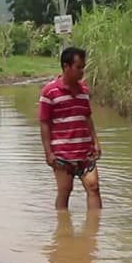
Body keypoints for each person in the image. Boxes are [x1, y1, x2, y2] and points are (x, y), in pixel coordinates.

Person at [39, 47, 103, 211]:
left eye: (83, 67)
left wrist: (95, 142)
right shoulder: (49, 92)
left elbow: (87, 117)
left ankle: (95, 232)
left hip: (85, 152)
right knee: (65, 191)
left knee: (94, 188)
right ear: (66, 67)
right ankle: (63, 232)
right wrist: (49, 153)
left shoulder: (84, 91)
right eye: (78, 67)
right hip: (62, 153)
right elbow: (44, 123)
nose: (82, 71)